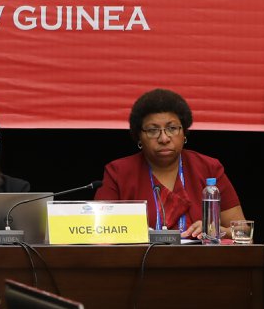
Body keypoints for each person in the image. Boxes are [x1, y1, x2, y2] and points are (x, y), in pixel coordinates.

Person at [94, 88, 245, 238]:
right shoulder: (118, 172)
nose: (164, 138)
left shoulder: (208, 168)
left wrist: (216, 231)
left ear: (184, 132)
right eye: (152, 130)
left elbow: (242, 231)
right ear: (138, 136)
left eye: (172, 128)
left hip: (199, 254)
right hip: (140, 254)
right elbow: (97, 231)